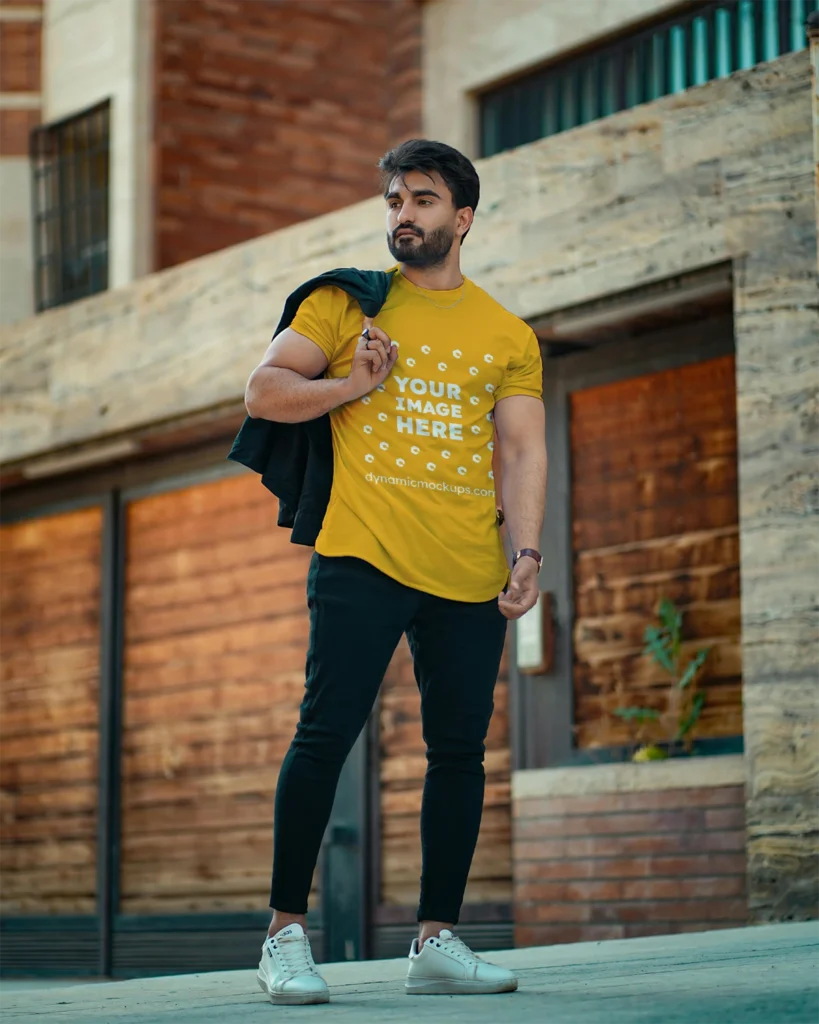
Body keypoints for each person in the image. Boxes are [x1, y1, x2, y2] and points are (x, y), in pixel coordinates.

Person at [246, 139, 547, 1005]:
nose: (401, 214)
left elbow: (522, 448)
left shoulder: (505, 333)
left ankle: (435, 941)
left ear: (462, 217)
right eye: (392, 200)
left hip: (463, 565)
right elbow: (262, 391)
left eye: (420, 199)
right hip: (361, 551)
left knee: (458, 753)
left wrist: (524, 553)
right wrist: (349, 386)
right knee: (324, 735)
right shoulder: (348, 304)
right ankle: (284, 937)